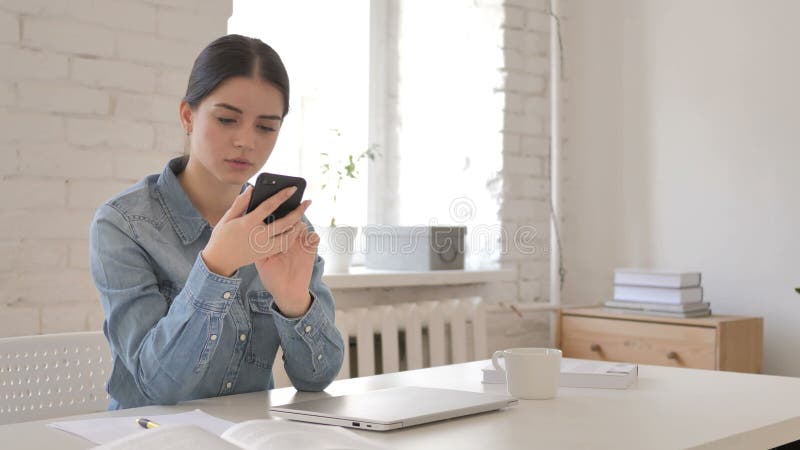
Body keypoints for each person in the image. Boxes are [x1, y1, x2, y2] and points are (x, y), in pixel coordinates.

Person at [89, 34, 344, 409]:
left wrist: (294, 303)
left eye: (266, 127)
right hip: (149, 437)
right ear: (188, 116)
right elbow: (159, 388)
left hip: (248, 437)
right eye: (227, 119)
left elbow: (317, 378)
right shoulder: (124, 225)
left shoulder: (287, 229)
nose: (245, 140)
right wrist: (216, 268)